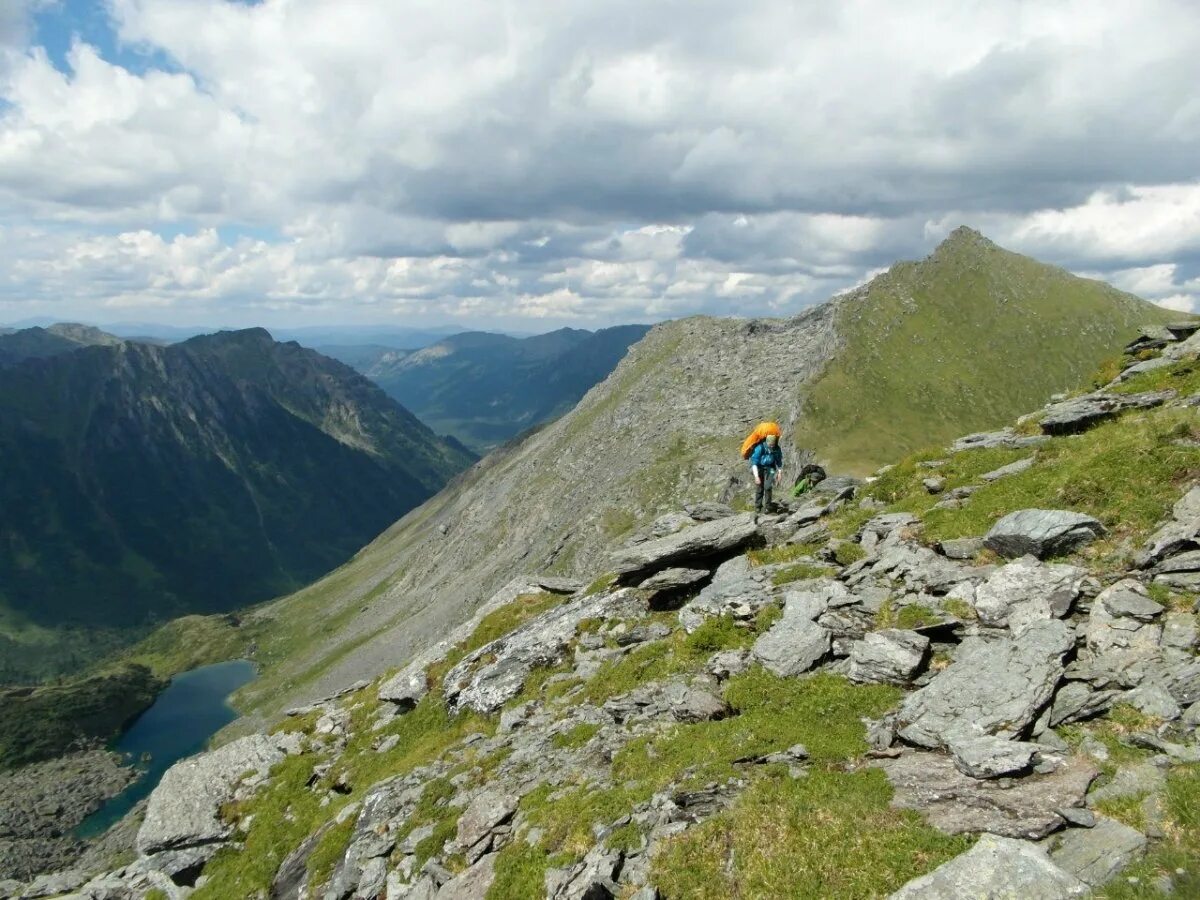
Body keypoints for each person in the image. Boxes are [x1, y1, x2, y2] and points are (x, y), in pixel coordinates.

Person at [749, 433, 783, 513]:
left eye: (773, 444)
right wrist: (756, 477)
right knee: (759, 487)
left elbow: (779, 462)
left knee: (767, 487)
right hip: (759, 468)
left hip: (770, 468)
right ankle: (758, 507)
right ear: (767, 442)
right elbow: (754, 463)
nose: (771, 446)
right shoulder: (760, 448)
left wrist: (779, 473)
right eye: (770, 444)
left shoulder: (777, 449)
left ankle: (768, 506)